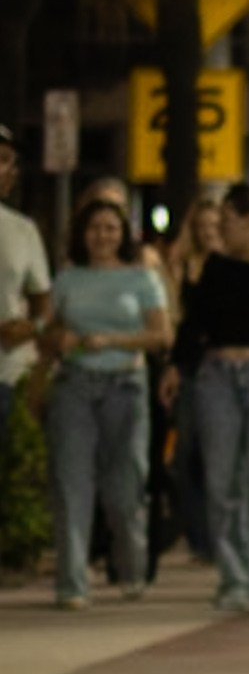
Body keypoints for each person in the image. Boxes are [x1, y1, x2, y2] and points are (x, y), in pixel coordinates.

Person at [166, 183, 249, 611]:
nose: (220, 227)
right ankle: (234, 579)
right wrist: (175, 366)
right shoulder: (218, 268)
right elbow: (194, 323)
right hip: (216, 376)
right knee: (222, 479)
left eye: (228, 219)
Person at [42, 198, 170, 607]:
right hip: (75, 384)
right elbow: (48, 326)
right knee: (71, 483)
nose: (103, 235)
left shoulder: (142, 279)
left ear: (124, 234)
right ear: (82, 233)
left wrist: (112, 340)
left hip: (126, 384)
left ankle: (132, 570)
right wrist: (56, 338)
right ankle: (71, 583)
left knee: (125, 486)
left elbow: (161, 335)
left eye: (111, 228)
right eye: (95, 227)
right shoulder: (67, 279)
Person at [159, 195, 225, 563]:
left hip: (222, 365)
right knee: (186, 456)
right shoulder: (182, 266)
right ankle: (200, 538)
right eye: (201, 229)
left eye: (214, 227)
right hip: (189, 366)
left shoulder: (234, 266)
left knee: (218, 454)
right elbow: (175, 320)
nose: (207, 234)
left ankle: (219, 536)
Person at [0, 123, 52, 447]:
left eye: (11, 163)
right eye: (1, 159)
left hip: (7, 375)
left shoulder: (23, 230)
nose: (8, 171)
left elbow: (45, 302)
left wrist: (33, 326)